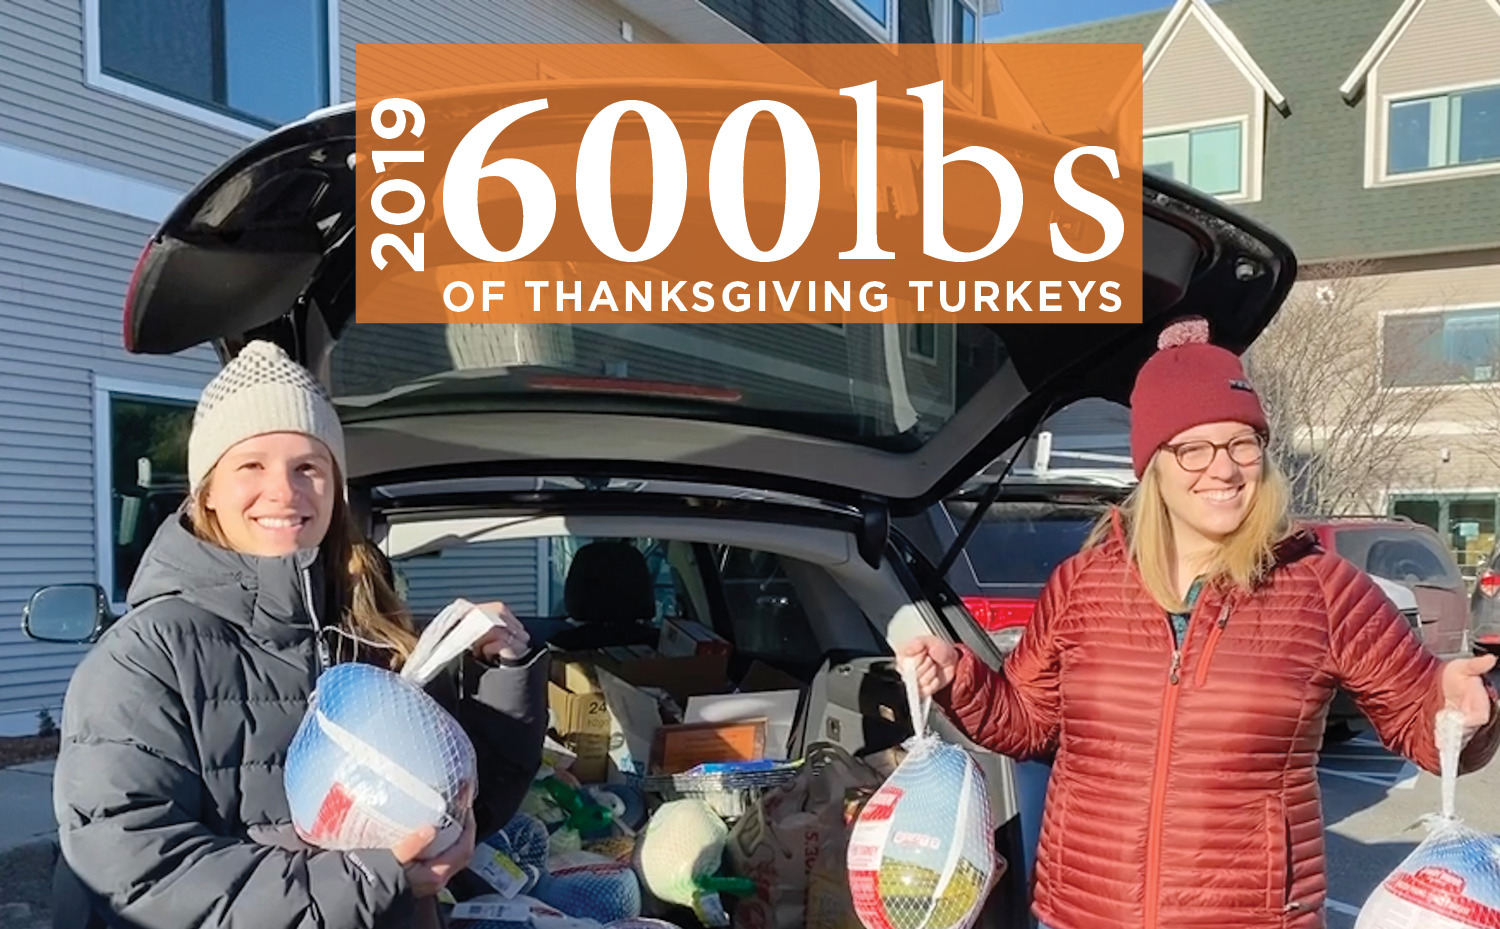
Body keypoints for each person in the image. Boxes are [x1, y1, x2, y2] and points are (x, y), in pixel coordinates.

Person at [901, 317, 1500, 929]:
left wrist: (1457, 713)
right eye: (1194, 447)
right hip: (1083, 913)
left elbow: (1420, 719)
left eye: (1243, 443)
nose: (1224, 469)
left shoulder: (1321, 588)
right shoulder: (1083, 584)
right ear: (1153, 463)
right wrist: (960, 678)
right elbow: (1026, 723)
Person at [51, 341, 548, 928]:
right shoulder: (147, 656)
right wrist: (374, 878)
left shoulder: (369, 633)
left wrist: (503, 676)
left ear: (335, 489)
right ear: (207, 489)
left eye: (307, 466)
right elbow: (142, 873)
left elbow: (462, 808)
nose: (284, 491)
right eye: (252, 465)